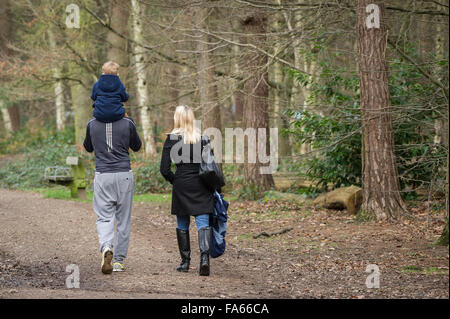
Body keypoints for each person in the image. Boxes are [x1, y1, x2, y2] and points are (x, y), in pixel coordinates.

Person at [160, 105, 215, 276]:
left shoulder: (171, 139)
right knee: (203, 223)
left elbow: (164, 169)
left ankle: (185, 263)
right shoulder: (203, 138)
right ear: (192, 118)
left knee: (182, 223)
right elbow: (211, 166)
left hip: (181, 183)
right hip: (201, 184)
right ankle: (204, 261)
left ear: (177, 118)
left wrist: (175, 180)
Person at [83, 115, 142, 274]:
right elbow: (137, 146)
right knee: (123, 220)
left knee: (104, 216)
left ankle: (107, 246)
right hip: (124, 174)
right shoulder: (128, 122)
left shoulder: (92, 123)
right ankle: (118, 262)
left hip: (103, 175)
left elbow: (88, 147)